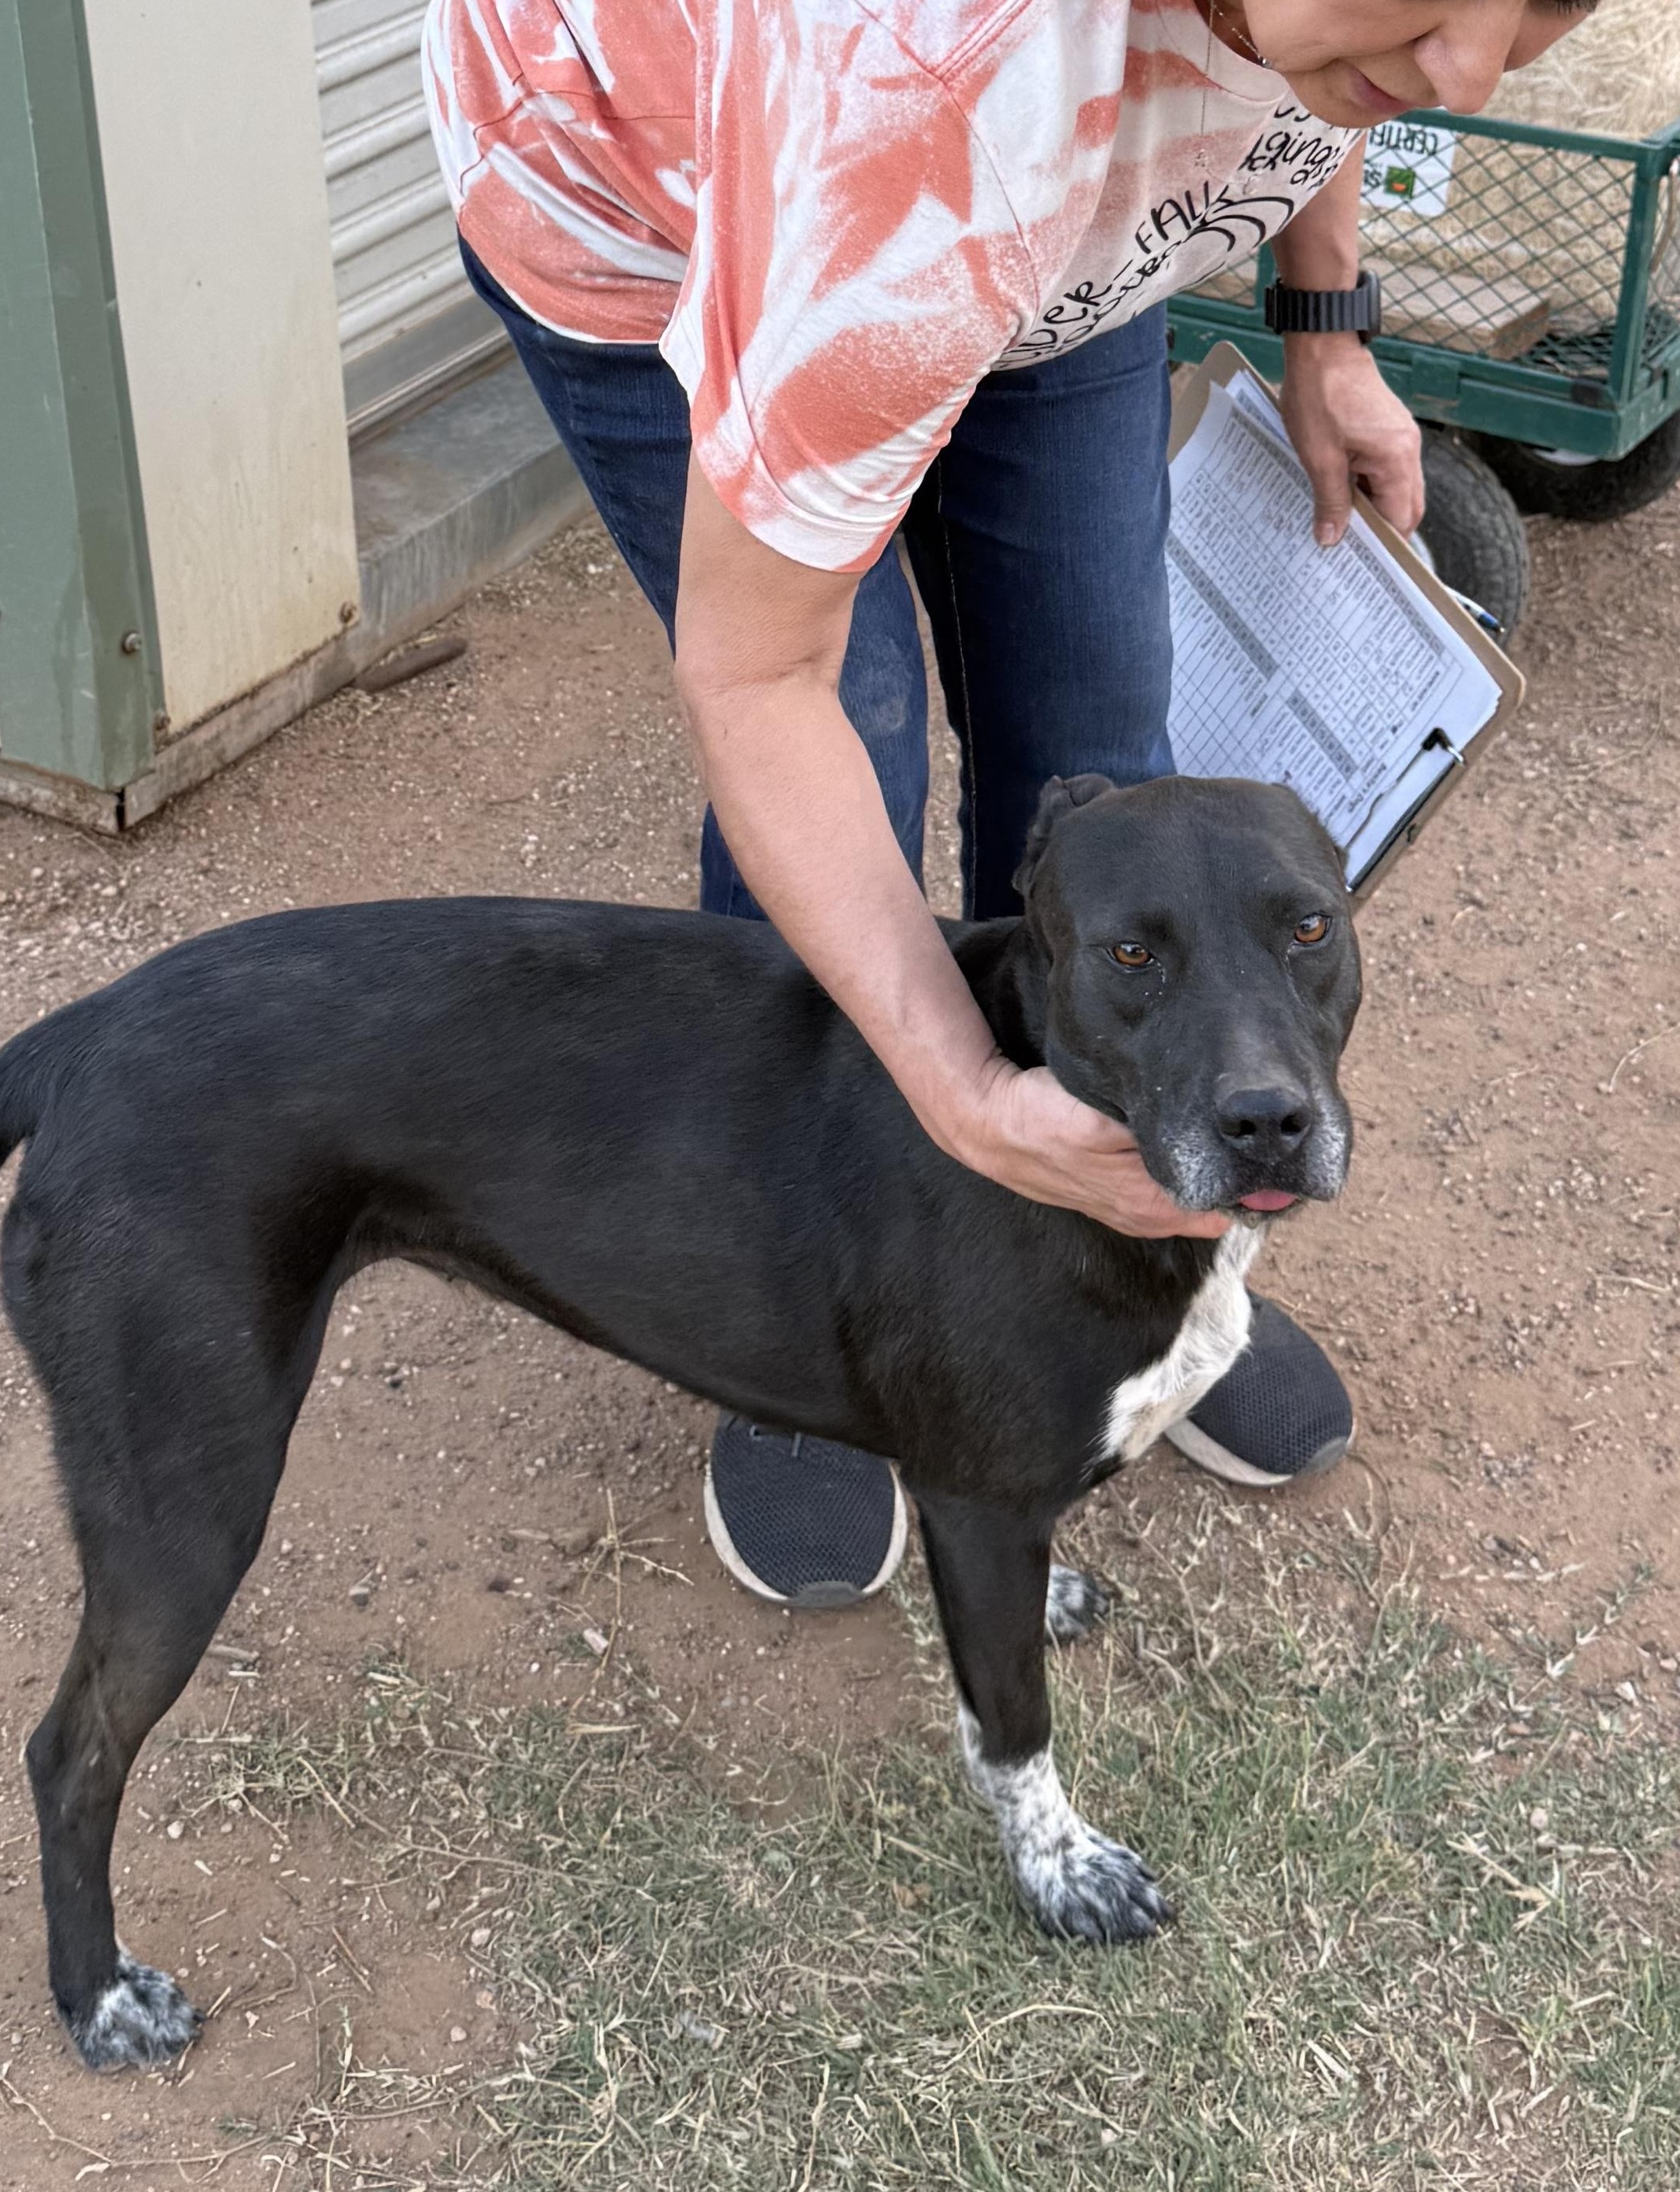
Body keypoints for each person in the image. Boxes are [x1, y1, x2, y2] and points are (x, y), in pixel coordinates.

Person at [424, 0, 1593, 1607]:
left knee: (1098, 738)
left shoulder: (1360, 23)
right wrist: (959, 1094)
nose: (1474, 69)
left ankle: (1124, 1234)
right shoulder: (923, 74)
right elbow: (763, 678)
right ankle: (811, 1309)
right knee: (857, 747)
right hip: (655, 203)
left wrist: (1327, 324)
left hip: (1041, 225)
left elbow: (1340, 63)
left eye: (1552, 4)